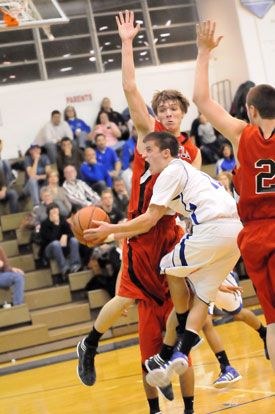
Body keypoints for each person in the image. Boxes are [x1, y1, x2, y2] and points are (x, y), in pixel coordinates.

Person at [76, 11, 201, 414]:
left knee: (182, 316)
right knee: (128, 296)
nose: (166, 114)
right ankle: (91, 343)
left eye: (173, 110)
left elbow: (192, 197)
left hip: (171, 236)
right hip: (138, 230)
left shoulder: (192, 151)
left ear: (182, 116)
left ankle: (171, 369)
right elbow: (129, 87)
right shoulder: (147, 136)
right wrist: (128, 42)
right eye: (162, 109)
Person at [86, 130, 242, 388]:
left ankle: (177, 334)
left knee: (166, 266)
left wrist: (109, 229)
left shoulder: (168, 173)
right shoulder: (188, 173)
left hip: (211, 228)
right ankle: (178, 352)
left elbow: (148, 220)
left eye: (148, 149)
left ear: (166, 153)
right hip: (234, 232)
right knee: (202, 297)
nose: (143, 154)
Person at [192, 19, 275, 371]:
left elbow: (200, 100)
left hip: (255, 236)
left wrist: (204, 52)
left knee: (272, 321)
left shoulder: (242, 133)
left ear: (251, 110)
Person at [203, 272, 268, 388]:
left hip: (219, 275)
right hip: (202, 280)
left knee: (238, 314)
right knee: (205, 322)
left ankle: (264, 333)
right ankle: (226, 367)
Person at [39, 202, 82, 279]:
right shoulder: (44, 224)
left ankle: (75, 265)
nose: (55, 211)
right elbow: (51, 239)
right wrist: (56, 224)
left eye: (56, 209)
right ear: (49, 212)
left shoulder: (62, 219)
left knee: (74, 240)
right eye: (52, 209)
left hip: (63, 247)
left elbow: (71, 233)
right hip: (49, 249)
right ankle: (64, 268)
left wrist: (65, 235)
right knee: (56, 243)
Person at [23, 144, 51, 208]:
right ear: (30, 151)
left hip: (42, 185)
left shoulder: (44, 157)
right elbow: (32, 175)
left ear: (40, 150)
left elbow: (49, 174)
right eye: (33, 149)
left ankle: (51, 200)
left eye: (37, 148)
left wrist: (38, 177)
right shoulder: (27, 159)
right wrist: (36, 160)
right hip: (29, 187)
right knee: (33, 180)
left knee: (52, 178)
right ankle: (36, 205)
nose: (35, 150)